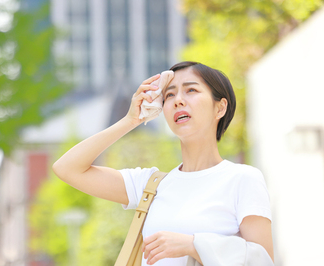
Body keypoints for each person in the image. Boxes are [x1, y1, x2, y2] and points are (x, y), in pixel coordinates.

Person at [53, 61, 274, 265]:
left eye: (191, 90)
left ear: (220, 108)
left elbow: (263, 260)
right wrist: (132, 120)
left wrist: (194, 244)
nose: (178, 100)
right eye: (169, 95)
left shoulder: (243, 179)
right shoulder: (150, 185)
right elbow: (67, 168)